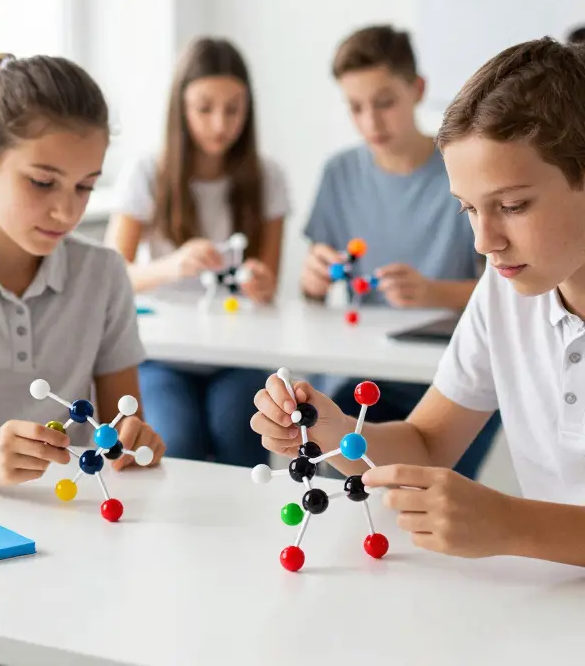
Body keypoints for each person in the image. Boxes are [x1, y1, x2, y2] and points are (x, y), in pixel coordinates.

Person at [251, 36, 585, 567]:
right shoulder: (503, 292)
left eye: (513, 205)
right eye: (468, 209)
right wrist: (332, 427)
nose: (484, 242)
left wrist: (511, 524)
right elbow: (428, 445)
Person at [301, 24, 500, 480]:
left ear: (418, 89)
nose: (371, 122)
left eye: (385, 102)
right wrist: (312, 281)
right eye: (356, 107)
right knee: (335, 467)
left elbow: (508, 293)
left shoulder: (461, 170)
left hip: (449, 373)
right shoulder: (339, 174)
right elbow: (312, 296)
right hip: (364, 372)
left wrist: (434, 292)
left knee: (424, 490)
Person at [104, 37, 288, 468]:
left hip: (239, 355)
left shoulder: (267, 177)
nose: (220, 124)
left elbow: (268, 286)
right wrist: (173, 265)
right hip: (162, 355)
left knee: (238, 434)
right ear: (180, 108)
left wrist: (260, 283)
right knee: (178, 439)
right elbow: (111, 276)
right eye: (204, 108)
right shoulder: (147, 173)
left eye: (233, 109)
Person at [0, 52, 166, 486]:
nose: (67, 212)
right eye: (42, 182)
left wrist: (135, 442)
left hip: (75, 508)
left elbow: (122, 427)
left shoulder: (103, 274)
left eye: (85, 186)